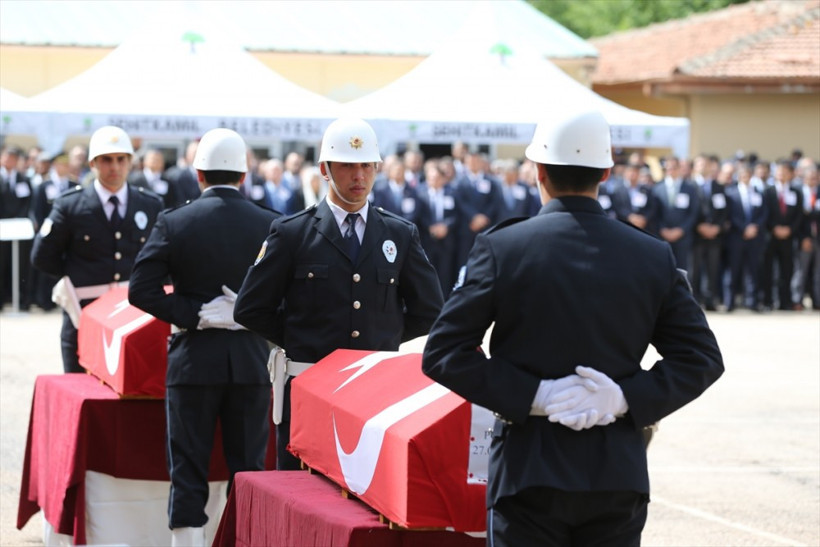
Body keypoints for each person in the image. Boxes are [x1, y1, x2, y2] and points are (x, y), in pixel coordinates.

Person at [421, 109, 724, 546]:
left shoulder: (503, 247)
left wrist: (535, 395)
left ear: (537, 171)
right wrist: (624, 398)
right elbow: (701, 358)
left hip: (529, 472)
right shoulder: (650, 255)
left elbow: (444, 353)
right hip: (616, 471)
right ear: (606, 171)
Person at [234, 117, 444, 470]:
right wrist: (303, 337)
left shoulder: (399, 233)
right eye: (347, 165)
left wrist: (382, 338)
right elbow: (250, 308)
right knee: (304, 496)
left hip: (374, 391)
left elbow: (430, 309)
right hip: (310, 385)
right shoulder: (292, 233)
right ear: (325, 169)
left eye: (366, 165)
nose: (359, 176)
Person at [128, 129, 278, 547]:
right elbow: (293, 297)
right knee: (248, 472)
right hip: (249, 362)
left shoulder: (175, 221)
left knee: (188, 471)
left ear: (198, 175)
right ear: (244, 176)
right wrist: (245, 314)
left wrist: (194, 315)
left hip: (192, 361)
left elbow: (140, 289)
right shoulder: (270, 223)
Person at [30, 126, 163, 373]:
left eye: (121, 159)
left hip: (130, 316)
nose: (114, 167)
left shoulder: (150, 204)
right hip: (83, 315)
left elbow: (160, 258)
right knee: (82, 389)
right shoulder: (70, 205)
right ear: (93, 163)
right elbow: (42, 255)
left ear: (130, 161)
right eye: (106, 160)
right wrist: (74, 277)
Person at [724, 162, 768, 311]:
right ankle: (730, 302)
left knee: (753, 270)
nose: (745, 178)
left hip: (754, 237)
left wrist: (755, 227)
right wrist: (743, 228)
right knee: (733, 270)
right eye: (743, 176)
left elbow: (763, 213)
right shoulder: (731, 193)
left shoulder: (758, 192)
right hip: (737, 237)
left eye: (748, 176)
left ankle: (752, 302)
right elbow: (730, 215)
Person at [761, 160, 803, 310]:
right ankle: (768, 301)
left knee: (787, 270)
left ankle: (785, 301)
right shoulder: (768, 191)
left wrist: (790, 229)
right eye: (779, 172)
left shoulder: (796, 192)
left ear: (791, 174)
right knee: (768, 270)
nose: (782, 175)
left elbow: (799, 215)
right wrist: (774, 228)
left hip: (788, 237)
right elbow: (764, 213)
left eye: (785, 172)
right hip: (770, 237)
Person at [0, 146, 33, 310]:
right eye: (7, 157)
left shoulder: (23, 180)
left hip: (18, 230)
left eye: (13, 158)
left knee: (19, 266)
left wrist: (19, 220)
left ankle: (21, 300)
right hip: (1, 229)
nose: (10, 161)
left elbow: (27, 203)